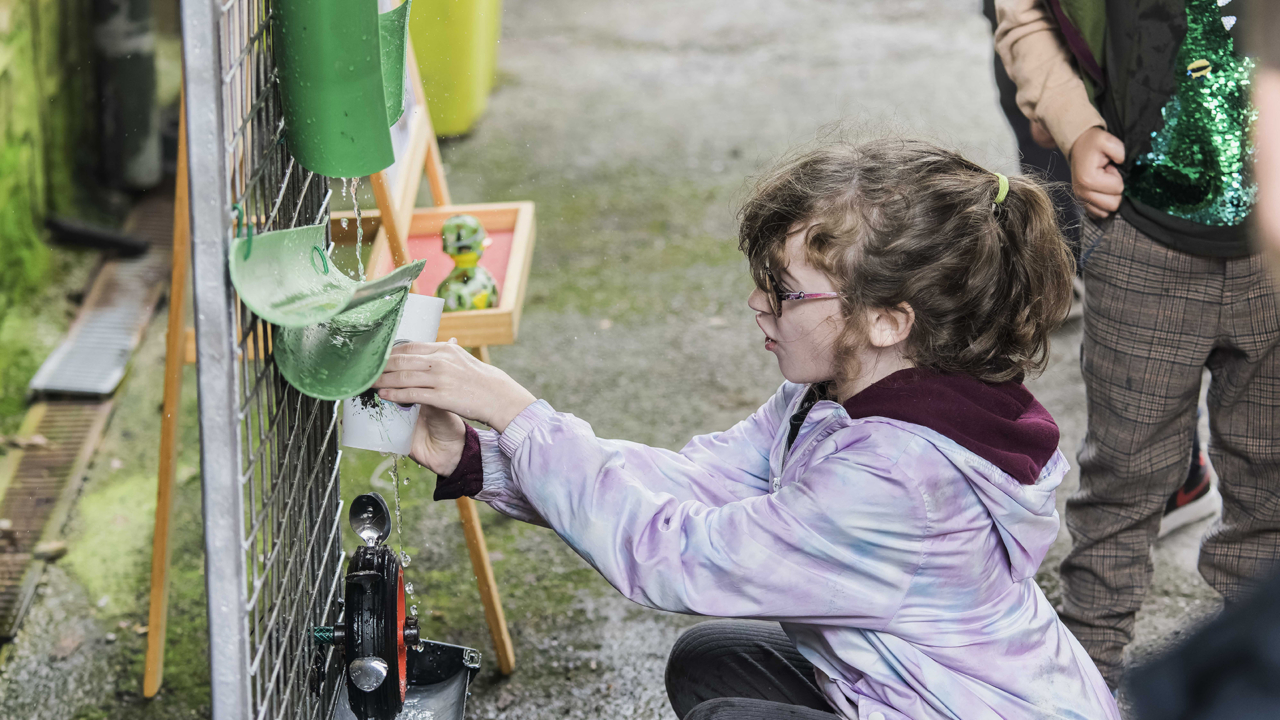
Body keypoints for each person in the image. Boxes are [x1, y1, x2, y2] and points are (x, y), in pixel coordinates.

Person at [374, 140, 1120, 720]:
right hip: (920, 690)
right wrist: (483, 457)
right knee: (709, 661)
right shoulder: (840, 392)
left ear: (891, 321)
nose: (760, 306)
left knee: (731, 713)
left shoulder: (899, 479)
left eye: (787, 293)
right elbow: (693, 484)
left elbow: (677, 554)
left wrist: (516, 410)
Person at [995, 0, 1280, 692]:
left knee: (1272, 484)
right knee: (1122, 477)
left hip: (1272, 261)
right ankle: (1080, 677)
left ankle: (1253, 677)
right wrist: (1074, 122)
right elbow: (1024, 14)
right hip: (1141, 243)